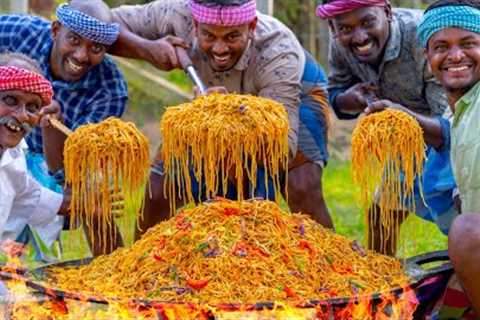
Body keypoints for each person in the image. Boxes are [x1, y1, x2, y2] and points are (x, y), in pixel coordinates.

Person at [110, 0, 333, 238]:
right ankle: (138, 270)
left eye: (232, 37)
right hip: (210, 107)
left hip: (293, 93)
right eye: (208, 35)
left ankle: (333, 266)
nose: (219, 48)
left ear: (252, 26)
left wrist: (230, 113)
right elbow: (95, 22)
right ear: (194, 24)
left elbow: (281, 149)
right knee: (159, 188)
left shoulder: (278, 53)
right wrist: (146, 49)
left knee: (300, 184)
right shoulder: (174, 14)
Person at [316, 0, 455, 255]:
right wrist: (350, 99)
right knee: (381, 218)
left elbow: (450, 125)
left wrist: (402, 116)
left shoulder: (423, 37)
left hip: (455, 141)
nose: (359, 37)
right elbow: (336, 94)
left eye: (368, 22)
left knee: (459, 222)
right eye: (345, 29)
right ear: (333, 29)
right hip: (407, 143)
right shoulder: (340, 44)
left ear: (387, 12)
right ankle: (383, 283)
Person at [0, 0, 128, 257]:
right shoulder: (19, 32)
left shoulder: (110, 90)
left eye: (96, 47)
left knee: (94, 186)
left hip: (54, 160)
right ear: (56, 30)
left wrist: (85, 203)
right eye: (10, 100)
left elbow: (37, 193)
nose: (81, 55)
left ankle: (118, 271)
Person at [417, 0, 480, 315]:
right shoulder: (457, 111)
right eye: (441, 46)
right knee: (447, 302)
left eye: (469, 44)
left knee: (467, 232)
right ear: (427, 58)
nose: (455, 56)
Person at [0, 64, 70, 249]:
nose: (22, 115)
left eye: (32, 108)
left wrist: (87, 203)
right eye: (10, 100)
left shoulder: (13, 158)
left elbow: (30, 198)